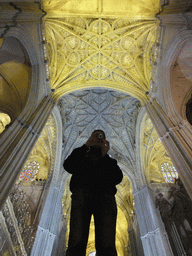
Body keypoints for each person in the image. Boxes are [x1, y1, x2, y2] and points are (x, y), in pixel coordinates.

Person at [63, 130, 123, 256]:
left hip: (105, 198)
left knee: (107, 243)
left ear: (104, 142)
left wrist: (104, 155)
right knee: (76, 240)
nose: (97, 138)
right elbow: (68, 166)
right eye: (95, 136)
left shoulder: (108, 160)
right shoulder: (81, 153)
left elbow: (118, 177)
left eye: (100, 137)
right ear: (90, 137)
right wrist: (86, 146)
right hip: (81, 195)